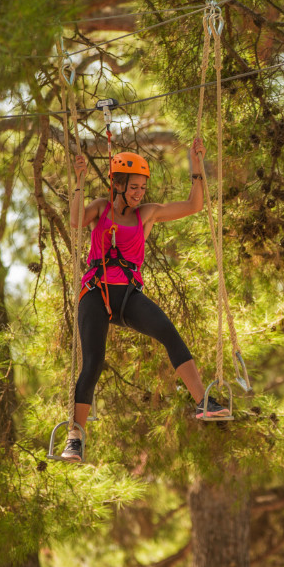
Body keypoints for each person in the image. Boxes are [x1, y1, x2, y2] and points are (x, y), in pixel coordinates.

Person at [59, 138, 227, 462]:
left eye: (142, 188)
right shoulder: (100, 208)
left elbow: (193, 205)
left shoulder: (147, 214)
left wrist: (196, 165)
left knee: (168, 332)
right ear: (118, 185)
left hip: (128, 296)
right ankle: (75, 436)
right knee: (93, 360)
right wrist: (78, 181)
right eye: (134, 187)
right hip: (95, 293)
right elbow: (76, 220)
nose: (139, 194)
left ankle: (203, 403)